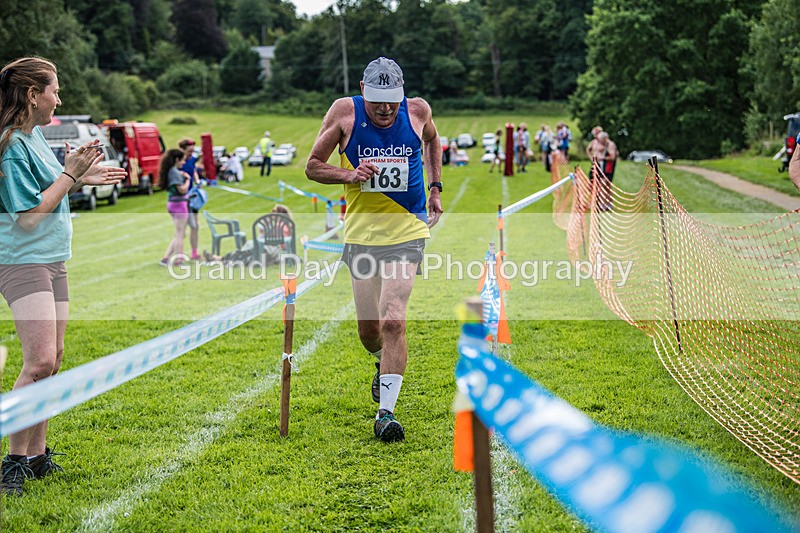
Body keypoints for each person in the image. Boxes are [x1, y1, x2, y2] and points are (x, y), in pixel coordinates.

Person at [0, 56, 126, 496]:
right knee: (37, 363)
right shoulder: (12, 143)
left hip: (54, 259)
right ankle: (13, 462)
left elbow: (49, 190)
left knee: (52, 362)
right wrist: (71, 173)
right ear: (33, 95)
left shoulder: (35, 138)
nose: (60, 97)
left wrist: (80, 178)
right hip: (23, 259)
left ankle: (36, 457)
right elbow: (29, 217)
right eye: (54, 90)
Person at [305, 56, 443, 442]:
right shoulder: (344, 114)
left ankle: (386, 413)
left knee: (394, 319)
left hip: (407, 229)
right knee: (369, 332)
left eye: (392, 100)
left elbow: (433, 141)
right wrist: (349, 174)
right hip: (362, 235)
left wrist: (435, 188)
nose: (385, 108)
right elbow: (313, 166)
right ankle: (381, 360)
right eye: (378, 99)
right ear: (363, 90)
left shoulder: (417, 111)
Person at [202, 204, 295, 265]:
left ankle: (219, 259)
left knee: (244, 255)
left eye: (273, 212)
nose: (271, 214)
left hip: (271, 252)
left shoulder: (281, 226)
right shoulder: (284, 225)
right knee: (243, 254)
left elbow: (282, 245)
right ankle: (219, 259)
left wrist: (266, 233)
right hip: (266, 250)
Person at [159, 149, 191, 267]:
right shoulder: (174, 172)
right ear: (177, 159)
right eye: (182, 160)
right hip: (179, 205)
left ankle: (166, 258)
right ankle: (179, 261)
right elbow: (182, 190)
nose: (183, 162)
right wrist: (187, 180)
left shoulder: (171, 171)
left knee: (180, 234)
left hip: (173, 204)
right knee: (179, 234)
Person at [178, 138, 201, 260]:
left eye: (192, 151)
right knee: (182, 230)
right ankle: (170, 256)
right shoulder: (177, 162)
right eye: (189, 151)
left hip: (192, 196)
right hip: (181, 198)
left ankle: (194, 253)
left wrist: (197, 180)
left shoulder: (192, 159)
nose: (191, 154)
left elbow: (194, 170)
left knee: (195, 226)